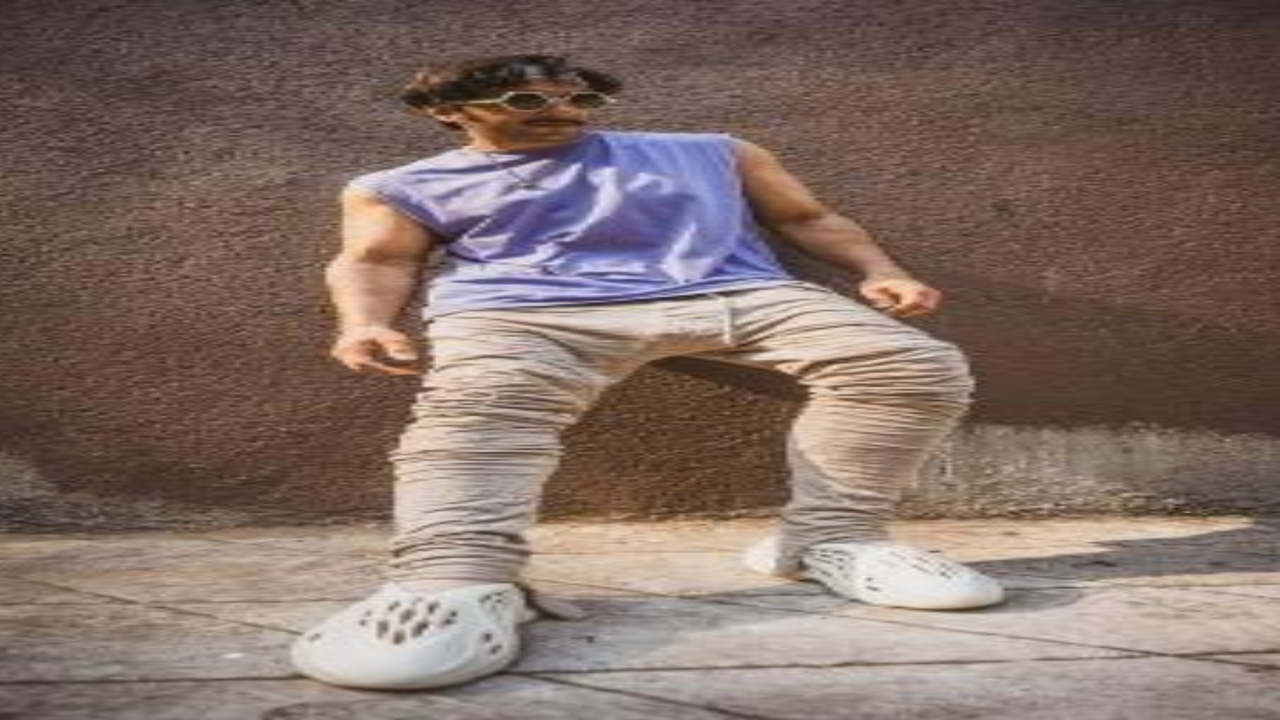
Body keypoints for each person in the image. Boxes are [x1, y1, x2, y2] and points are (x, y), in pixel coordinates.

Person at [291, 54, 1005, 691]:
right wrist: (364, 321)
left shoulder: (713, 153)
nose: (560, 113)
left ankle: (832, 538)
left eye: (577, 100)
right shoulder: (398, 186)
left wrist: (882, 272)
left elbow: (808, 218)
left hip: (735, 294)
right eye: (526, 102)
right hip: (523, 311)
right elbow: (378, 260)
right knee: (480, 403)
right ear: (447, 112)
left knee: (909, 365)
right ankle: (454, 582)